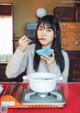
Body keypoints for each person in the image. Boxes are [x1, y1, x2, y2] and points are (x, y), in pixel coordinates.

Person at [6, 15, 69, 82]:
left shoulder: (63, 55)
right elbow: (10, 74)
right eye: (40, 29)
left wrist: (52, 65)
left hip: (52, 91)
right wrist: (20, 50)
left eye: (48, 30)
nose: (43, 34)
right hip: (31, 90)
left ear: (56, 34)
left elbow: (63, 83)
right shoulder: (30, 49)